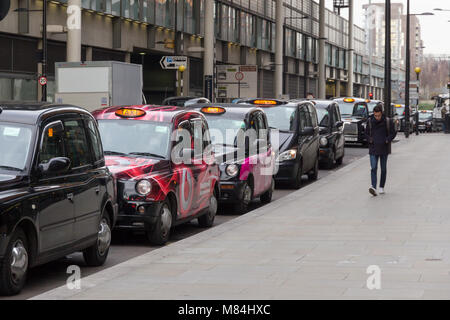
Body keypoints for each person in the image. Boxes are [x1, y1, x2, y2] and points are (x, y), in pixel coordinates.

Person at [365, 105, 397, 196]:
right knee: (373, 167)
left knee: (383, 169)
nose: (377, 117)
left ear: (381, 113)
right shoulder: (370, 121)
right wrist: (370, 140)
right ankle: (373, 187)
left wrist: (387, 140)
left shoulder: (387, 121)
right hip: (373, 148)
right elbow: (366, 133)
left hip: (384, 148)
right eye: (375, 115)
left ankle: (381, 186)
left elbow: (393, 132)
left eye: (378, 115)